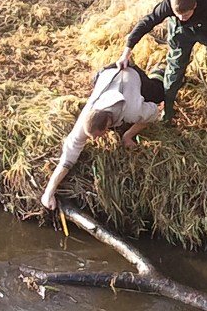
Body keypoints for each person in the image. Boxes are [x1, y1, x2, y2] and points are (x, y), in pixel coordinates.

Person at [117, 0, 207, 130]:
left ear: (194, 6)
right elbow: (148, 21)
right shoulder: (170, 4)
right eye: (178, 15)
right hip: (181, 33)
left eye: (185, 15)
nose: (181, 17)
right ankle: (168, 109)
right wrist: (127, 50)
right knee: (174, 70)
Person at [40, 64, 164, 210]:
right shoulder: (87, 116)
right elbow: (67, 158)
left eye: (97, 136)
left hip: (130, 74)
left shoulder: (132, 111)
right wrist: (48, 192)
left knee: (158, 93)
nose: (94, 140)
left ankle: (159, 70)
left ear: (107, 125)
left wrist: (128, 135)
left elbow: (154, 113)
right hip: (106, 73)